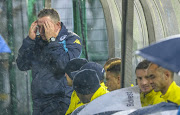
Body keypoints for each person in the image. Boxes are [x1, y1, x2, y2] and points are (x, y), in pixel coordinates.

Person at [16, 8, 82, 115]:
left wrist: (52, 40)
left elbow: (64, 65)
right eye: (39, 27)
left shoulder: (71, 39)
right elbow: (22, 65)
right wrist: (29, 40)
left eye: (46, 26)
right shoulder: (37, 41)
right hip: (39, 102)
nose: (41, 31)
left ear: (58, 25)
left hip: (61, 100)